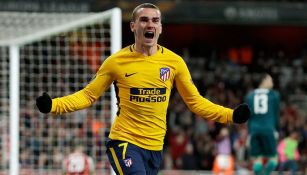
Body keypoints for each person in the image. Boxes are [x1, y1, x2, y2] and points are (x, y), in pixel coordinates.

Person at [36, 3, 250, 175]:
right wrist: (53, 105)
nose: (150, 24)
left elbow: (195, 102)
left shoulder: (174, 63)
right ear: (133, 26)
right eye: (144, 20)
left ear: (160, 28)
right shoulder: (116, 62)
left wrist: (230, 115)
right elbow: (88, 95)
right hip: (124, 142)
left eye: (155, 20)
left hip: (155, 148)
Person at [245, 72, 280, 175]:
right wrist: (277, 130)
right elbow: (276, 114)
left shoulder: (250, 95)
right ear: (263, 80)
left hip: (254, 129)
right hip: (268, 129)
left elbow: (248, 116)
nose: (272, 82)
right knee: (274, 158)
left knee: (257, 159)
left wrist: (249, 132)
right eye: (270, 79)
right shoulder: (274, 95)